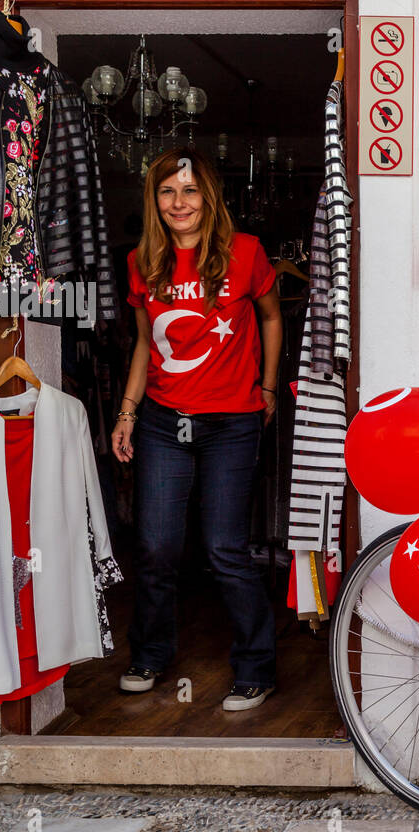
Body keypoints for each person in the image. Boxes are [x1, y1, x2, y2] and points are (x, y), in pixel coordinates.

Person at [111, 147, 284, 712]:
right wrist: (128, 412)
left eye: (188, 191)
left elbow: (272, 317)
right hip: (163, 420)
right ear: (154, 200)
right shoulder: (142, 261)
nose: (178, 203)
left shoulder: (246, 253)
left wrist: (267, 386)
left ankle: (256, 667)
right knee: (156, 545)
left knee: (223, 547)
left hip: (232, 423)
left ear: (208, 196)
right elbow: (145, 342)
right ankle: (151, 655)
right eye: (167, 192)